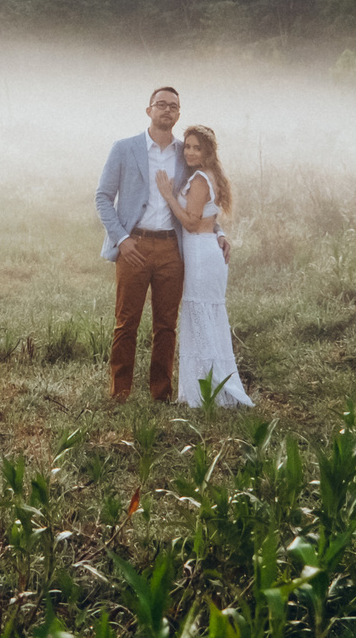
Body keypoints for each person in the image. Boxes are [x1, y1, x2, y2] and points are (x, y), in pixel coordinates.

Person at [95, 86, 190, 402]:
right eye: (161, 104)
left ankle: (161, 394)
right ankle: (119, 393)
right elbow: (103, 197)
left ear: (178, 113)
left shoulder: (184, 154)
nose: (167, 110)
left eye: (173, 106)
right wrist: (121, 239)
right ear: (148, 110)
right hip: (133, 246)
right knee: (126, 323)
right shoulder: (125, 148)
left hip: (171, 250)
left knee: (166, 327)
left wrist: (217, 233)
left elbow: (199, 201)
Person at [155, 124, 251, 406]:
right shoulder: (212, 176)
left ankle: (206, 393)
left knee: (199, 316)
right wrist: (221, 234)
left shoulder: (199, 179)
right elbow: (209, 220)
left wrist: (168, 194)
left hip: (200, 252)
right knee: (206, 317)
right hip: (208, 249)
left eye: (197, 147)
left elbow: (192, 222)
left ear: (208, 151)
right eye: (187, 146)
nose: (191, 152)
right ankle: (208, 388)